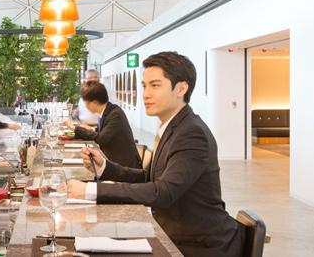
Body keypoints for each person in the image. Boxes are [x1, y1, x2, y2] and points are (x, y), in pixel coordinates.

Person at [67, 52, 245, 257]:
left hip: (199, 246)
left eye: (155, 85)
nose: (146, 94)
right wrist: (105, 168)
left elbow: (163, 192)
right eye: (143, 85)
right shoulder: (172, 127)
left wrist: (92, 191)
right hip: (172, 236)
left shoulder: (192, 133)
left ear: (181, 88)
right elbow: (148, 178)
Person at [63, 81, 141, 168]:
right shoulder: (107, 111)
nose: (85, 106)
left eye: (86, 103)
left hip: (126, 168)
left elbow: (101, 139)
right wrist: (91, 129)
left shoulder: (115, 114)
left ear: (95, 102)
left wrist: (74, 128)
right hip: (113, 162)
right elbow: (105, 132)